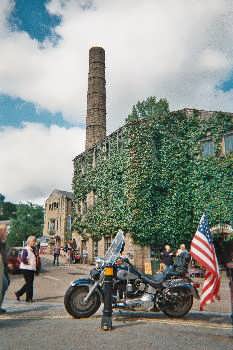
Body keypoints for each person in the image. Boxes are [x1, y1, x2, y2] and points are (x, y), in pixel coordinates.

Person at [15, 235, 37, 302]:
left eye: (35, 241)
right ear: (29, 241)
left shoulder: (32, 249)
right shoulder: (26, 249)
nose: (34, 242)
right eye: (33, 241)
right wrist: (28, 263)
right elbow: (23, 259)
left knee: (28, 283)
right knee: (30, 284)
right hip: (26, 268)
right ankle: (29, 299)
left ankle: (18, 293)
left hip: (30, 268)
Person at [0, 227, 10, 314]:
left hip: (4, 267)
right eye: (5, 231)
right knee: (4, 284)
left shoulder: (3, 243)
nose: (7, 233)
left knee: (5, 284)